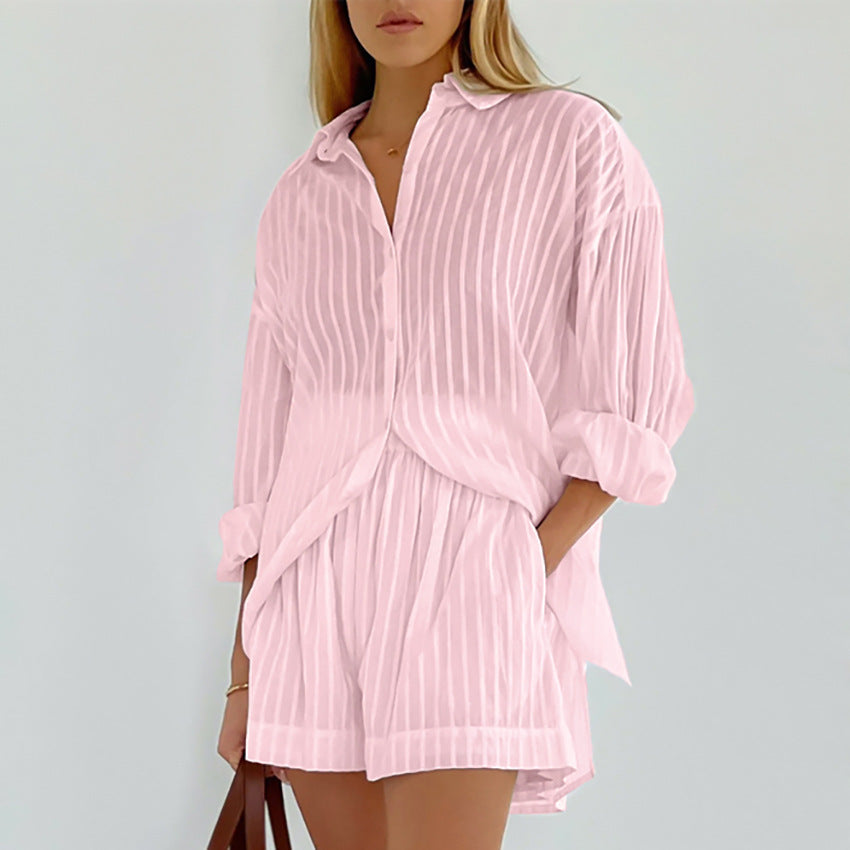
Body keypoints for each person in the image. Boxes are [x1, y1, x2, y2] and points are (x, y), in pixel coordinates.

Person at [215, 1, 695, 847]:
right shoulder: (301, 190)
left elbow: (638, 395)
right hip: (310, 589)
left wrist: (521, 563)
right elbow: (267, 454)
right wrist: (244, 673)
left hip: (473, 567)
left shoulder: (568, 141)